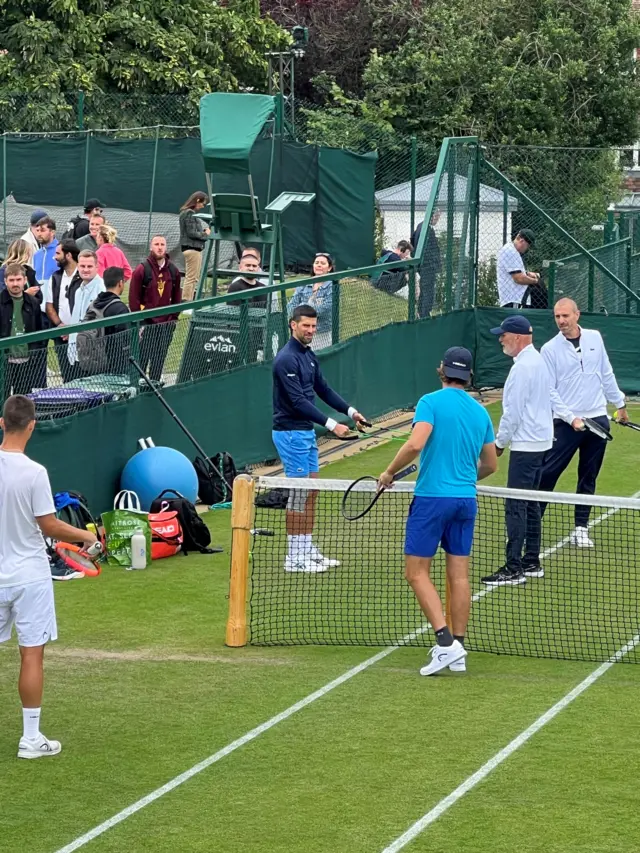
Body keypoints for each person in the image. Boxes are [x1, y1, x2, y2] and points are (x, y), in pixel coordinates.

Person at [377, 347, 497, 675]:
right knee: (458, 575)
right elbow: (490, 464)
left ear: (441, 370)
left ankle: (445, 644)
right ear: (469, 376)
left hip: (431, 500)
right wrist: (461, 478)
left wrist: (388, 473)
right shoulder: (480, 412)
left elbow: (416, 444)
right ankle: (459, 646)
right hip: (465, 501)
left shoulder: (429, 402)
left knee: (416, 573)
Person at [0, 394, 97, 759]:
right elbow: (50, 524)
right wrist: (87, 536)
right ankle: (30, 739)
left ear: (1, 423)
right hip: (29, 579)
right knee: (31, 657)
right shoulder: (35, 473)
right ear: (32, 426)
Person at [272, 304, 367, 572]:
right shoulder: (285, 359)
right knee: (299, 495)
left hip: (304, 433)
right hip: (290, 434)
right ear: (293, 325)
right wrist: (332, 425)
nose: (311, 331)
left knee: (312, 491)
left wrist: (351, 412)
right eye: (306, 326)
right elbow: (298, 401)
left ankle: (306, 546)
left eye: (314, 326)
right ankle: (294, 557)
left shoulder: (308, 356)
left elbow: (322, 389)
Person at [537, 298, 628, 548]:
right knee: (547, 474)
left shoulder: (595, 338)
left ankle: (580, 528)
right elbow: (549, 391)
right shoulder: (549, 349)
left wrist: (619, 404)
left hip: (597, 418)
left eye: (565, 316)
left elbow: (606, 372)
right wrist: (571, 418)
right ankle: (531, 524)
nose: (561, 321)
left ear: (577, 315)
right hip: (566, 423)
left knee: (588, 476)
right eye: (557, 317)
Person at [481, 315, 553, 586]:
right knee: (530, 504)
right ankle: (531, 561)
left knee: (516, 506)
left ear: (518, 337)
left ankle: (514, 567)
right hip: (541, 443)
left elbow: (513, 412)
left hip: (527, 447)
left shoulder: (523, 368)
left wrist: (499, 444)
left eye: (504, 335)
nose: (500, 339)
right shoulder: (537, 362)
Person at [129, 235, 181, 382]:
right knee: (142, 360)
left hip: (166, 325)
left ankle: (156, 387)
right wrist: (139, 322)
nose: (159, 247)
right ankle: (140, 390)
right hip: (147, 324)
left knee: (159, 360)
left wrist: (173, 319)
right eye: (156, 244)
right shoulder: (141, 270)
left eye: (162, 244)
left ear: (166, 247)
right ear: (151, 247)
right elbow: (134, 299)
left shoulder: (173, 270)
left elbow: (177, 297)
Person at [0, 264, 46, 397]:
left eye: (18, 279)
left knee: (23, 401)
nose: (15, 284)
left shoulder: (33, 303)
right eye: (12, 280)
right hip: (4, 361)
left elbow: (39, 331)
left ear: (25, 280)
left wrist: (34, 354)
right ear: (5, 281)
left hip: (27, 361)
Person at [45, 240, 82, 383]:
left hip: (81, 336)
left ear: (68, 255)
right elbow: (49, 306)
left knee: (83, 377)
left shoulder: (83, 276)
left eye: (58, 253)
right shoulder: (55, 278)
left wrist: (74, 330)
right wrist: (60, 325)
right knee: (67, 377)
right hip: (61, 337)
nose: (54, 257)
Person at [85, 266, 131, 374]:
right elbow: (126, 339)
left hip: (93, 362)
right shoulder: (120, 308)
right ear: (120, 283)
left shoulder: (93, 305)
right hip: (117, 365)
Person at [65, 251, 105, 372]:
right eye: (82, 266)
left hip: (92, 352)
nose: (85, 270)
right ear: (78, 267)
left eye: (89, 266)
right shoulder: (78, 290)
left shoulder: (101, 289)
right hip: (76, 350)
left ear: (97, 267)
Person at [287, 253, 335, 350]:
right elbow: (291, 306)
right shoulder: (303, 284)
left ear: (329, 268)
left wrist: (302, 308)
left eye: (323, 263)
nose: (319, 265)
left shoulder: (332, 285)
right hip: (300, 332)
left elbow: (324, 309)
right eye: (316, 262)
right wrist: (307, 308)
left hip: (321, 333)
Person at [496, 228, 540, 308]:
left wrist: (528, 274)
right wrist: (535, 281)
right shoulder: (510, 251)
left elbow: (517, 273)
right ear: (522, 241)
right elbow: (519, 278)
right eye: (528, 245)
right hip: (514, 299)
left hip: (515, 299)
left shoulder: (513, 251)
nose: (527, 248)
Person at [179, 191, 210, 301]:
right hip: (192, 248)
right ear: (197, 200)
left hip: (193, 248)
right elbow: (192, 233)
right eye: (203, 203)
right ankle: (186, 301)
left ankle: (189, 300)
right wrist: (205, 234)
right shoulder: (189, 213)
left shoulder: (187, 213)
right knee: (191, 277)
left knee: (193, 277)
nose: (203, 206)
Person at [412, 211, 442, 318]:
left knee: (424, 290)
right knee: (428, 291)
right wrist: (435, 264)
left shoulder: (420, 226)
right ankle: (424, 314)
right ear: (432, 216)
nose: (437, 220)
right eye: (437, 217)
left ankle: (420, 312)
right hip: (428, 266)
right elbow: (431, 250)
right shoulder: (428, 230)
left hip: (422, 265)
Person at [32, 217, 59, 294]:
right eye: (37, 230)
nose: (39, 234)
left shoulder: (61, 251)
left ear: (52, 232)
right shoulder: (36, 255)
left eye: (43, 230)